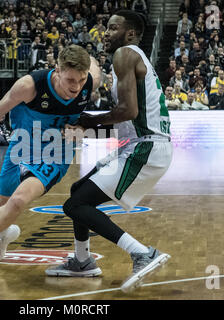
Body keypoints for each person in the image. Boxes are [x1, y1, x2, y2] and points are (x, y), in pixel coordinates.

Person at [0, 44, 101, 283]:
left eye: (81, 79)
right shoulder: (29, 86)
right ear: (56, 70)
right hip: (21, 147)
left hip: (56, 153)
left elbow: (95, 67)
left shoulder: (91, 80)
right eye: (70, 80)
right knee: (1, 205)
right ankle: (2, 236)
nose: (76, 87)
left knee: (17, 201)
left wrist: (83, 124)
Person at [45, 11, 172, 294]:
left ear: (129, 33)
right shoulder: (134, 58)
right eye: (106, 27)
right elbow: (125, 119)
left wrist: (87, 120)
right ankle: (82, 261)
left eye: (113, 28)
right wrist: (84, 125)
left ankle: (142, 253)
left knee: (75, 205)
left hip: (146, 148)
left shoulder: (125, 54)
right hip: (140, 145)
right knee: (78, 192)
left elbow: (128, 112)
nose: (105, 32)